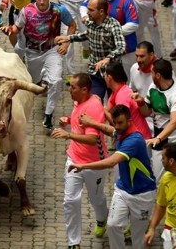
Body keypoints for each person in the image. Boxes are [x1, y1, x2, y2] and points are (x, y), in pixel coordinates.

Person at [70, 104, 157, 249]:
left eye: (120, 123)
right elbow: (110, 130)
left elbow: (111, 162)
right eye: (115, 122)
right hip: (123, 190)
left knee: (138, 238)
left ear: (130, 121)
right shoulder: (121, 131)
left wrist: (83, 166)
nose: (117, 126)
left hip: (143, 195)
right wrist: (92, 122)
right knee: (112, 225)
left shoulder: (134, 140)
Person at [2, 0, 75, 129]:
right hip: (33, 52)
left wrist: (66, 43)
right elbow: (17, 27)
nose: (42, 2)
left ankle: (48, 115)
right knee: (34, 84)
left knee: (56, 80)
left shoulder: (59, 10)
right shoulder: (27, 11)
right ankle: (42, 77)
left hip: (52, 50)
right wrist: (9, 30)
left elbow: (72, 25)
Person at [51, 73, 109, 246]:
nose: (69, 90)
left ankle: (102, 219)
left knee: (96, 198)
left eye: (73, 87)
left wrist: (68, 134)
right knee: (70, 201)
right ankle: (73, 243)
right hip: (74, 160)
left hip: (94, 164)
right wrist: (67, 120)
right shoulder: (78, 100)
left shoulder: (94, 107)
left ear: (84, 90)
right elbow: (79, 122)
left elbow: (92, 139)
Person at [59, 0, 126, 98]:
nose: (88, 13)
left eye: (91, 10)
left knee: (114, 104)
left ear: (101, 11)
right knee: (94, 101)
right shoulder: (91, 24)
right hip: (95, 73)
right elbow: (86, 34)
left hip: (112, 74)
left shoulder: (113, 25)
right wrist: (68, 38)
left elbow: (121, 47)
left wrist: (108, 58)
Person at [134, 59, 176, 181]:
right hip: (159, 141)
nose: (150, 74)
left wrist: (158, 138)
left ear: (158, 75)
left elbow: (175, 122)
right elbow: (146, 112)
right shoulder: (153, 87)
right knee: (159, 181)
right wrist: (140, 103)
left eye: (152, 72)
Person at [103, 61, 151, 140]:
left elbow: (120, 123)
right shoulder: (117, 91)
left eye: (105, 75)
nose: (104, 78)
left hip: (138, 139)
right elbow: (106, 111)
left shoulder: (122, 96)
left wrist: (102, 109)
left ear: (109, 78)